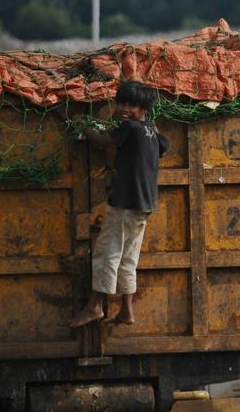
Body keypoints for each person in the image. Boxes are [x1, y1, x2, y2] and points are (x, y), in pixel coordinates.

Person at [69, 81, 169, 327]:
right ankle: (127, 310)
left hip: (125, 203)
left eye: (131, 105)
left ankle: (94, 307)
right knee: (128, 258)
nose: (124, 109)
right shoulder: (152, 132)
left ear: (143, 108)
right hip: (143, 206)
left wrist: (85, 127)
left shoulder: (131, 129)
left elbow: (102, 142)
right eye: (121, 103)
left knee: (107, 254)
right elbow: (164, 145)